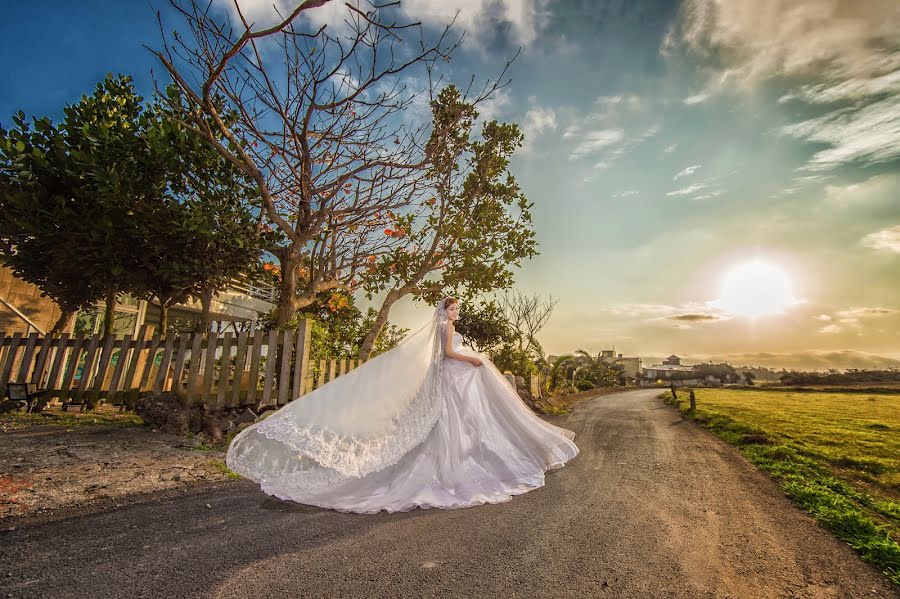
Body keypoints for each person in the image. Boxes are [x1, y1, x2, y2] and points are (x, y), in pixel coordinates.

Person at [226, 296, 579, 514]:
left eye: (457, 308)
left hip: (453, 380)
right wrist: (473, 360)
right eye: (453, 307)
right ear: (445, 310)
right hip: (452, 376)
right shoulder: (443, 327)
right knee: (448, 424)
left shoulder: (449, 324)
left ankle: (467, 455)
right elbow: (449, 354)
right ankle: (450, 465)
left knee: (459, 423)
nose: (456, 312)